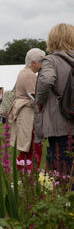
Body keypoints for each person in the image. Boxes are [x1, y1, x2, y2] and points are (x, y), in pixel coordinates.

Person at [35, 23, 74, 180]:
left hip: (59, 122)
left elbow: (46, 81)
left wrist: (39, 101)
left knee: (65, 171)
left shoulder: (51, 60)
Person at [8, 49, 45, 173]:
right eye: (41, 61)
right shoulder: (29, 75)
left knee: (27, 147)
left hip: (24, 112)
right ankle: (28, 173)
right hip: (28, 114)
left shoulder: (23, 72)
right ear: (34, 62)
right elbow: (35, 97)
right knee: (32, 146)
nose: (42, 64)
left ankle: (22, 172)